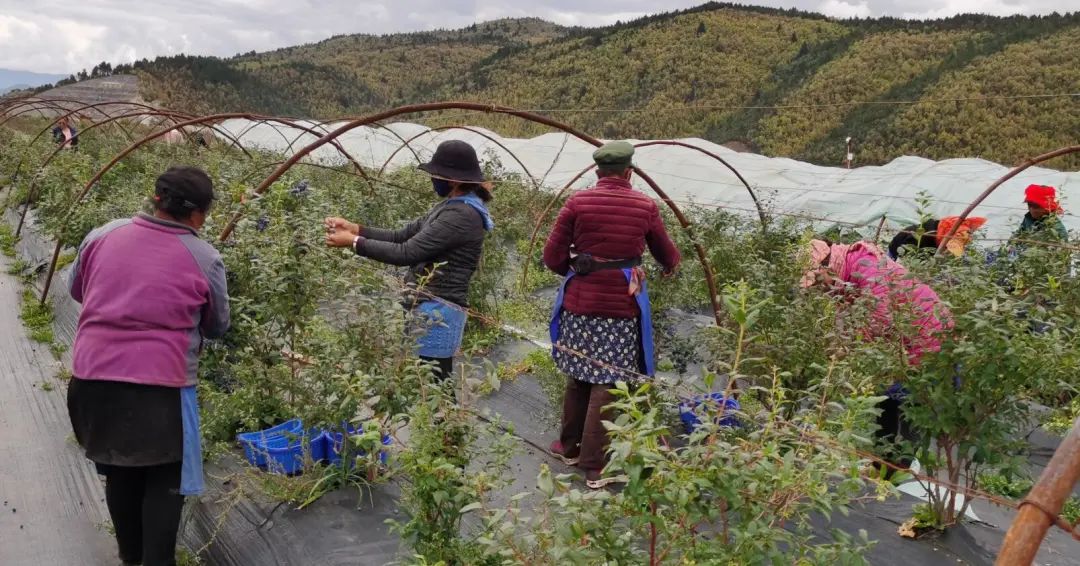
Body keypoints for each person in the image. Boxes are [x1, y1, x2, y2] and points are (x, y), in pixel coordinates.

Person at [66, 166, 230, 566]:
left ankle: (130, 555)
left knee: (119, 469)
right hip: (160, 391)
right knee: (163, 478)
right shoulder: (204, 257)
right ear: (200, 214)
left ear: (156, 199)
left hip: (91, 382)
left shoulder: (103, 235)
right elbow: (217, 325)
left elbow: (76, 289)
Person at [543, 141, 680, 489]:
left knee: (579, 372)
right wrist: (668, 266)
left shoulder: (577, 202)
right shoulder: (645, 206)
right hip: (620, 306)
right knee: (606, 380)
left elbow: (552, 255)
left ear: (597, 172)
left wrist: (576, 272)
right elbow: (667, 253)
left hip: (580, 303)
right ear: (629, 172)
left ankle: (569, 447)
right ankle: (594, 466)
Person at [325, 140, 494, 383]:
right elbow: (402, 235)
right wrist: (355, 228)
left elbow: (406, 252)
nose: (433, 179)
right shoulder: (451, 206)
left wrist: (353, 242)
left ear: (454, 180)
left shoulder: (462, 216)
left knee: (434, 386)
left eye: (436, 174)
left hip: (439, 314)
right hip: (427, 307)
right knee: (426, 384)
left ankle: (444, 422)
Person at [801, 239, 950, 475]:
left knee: (911, 404)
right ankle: (883, 465)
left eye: (818, 281)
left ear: (828, 266)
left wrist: (855, 351)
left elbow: (880, 318)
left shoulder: (866, 268)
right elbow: (851, 317)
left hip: (927, 335)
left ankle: (900, 469)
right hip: (902, 341)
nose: (820, 288)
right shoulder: (847, 276)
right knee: (886, 401)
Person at [887, 216, 987, 260]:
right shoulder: (924, 237)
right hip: (896, 253)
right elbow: (905, 259)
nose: (947, 249)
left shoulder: (941, 229)